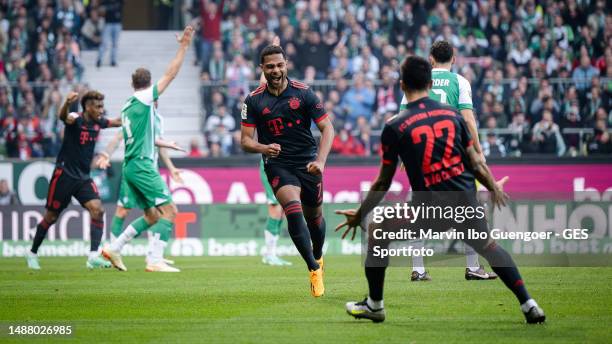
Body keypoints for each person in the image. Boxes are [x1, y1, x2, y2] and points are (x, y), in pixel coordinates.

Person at [336, 56, 545, 324]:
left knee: (378, 230)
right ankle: (529, 303)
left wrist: (360, 214)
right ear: (430, 83)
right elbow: (476, 161)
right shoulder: (454, 116)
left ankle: (375, 305)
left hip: (429, 210)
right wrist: (492, 185)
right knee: (489, 246)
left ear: (402, 85)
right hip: (465, 203)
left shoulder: (395, 126)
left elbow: (382, 183)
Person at [240, 44, 334, 297]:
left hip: (308, 163)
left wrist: (322, 161)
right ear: (262, 69)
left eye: (279, 65)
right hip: (278, 164)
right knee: (292, 211)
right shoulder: (253, 100)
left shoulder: (303, 93)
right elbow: (245, 141)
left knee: (314, 219)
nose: (276, 70)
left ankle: (318, 255)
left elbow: (328, 128)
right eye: (270, 66)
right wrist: (263, 147)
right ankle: (313, 269)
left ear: (286, 65)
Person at [400, 40, 496, 281]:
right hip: (453, 156)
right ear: (454, 59)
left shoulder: (419, 80)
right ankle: (473, 267)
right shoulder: (460, 82)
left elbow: (403, 117)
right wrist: (477, 149)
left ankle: (418, 268)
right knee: (469, 211)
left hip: (422, 156)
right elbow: (467, 117)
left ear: (431, 58)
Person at [101, 26, 194, 273]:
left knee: (152, 216)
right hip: (142, 164)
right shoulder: (144, 99)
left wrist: (163, 143)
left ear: (132, 84)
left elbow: (137, 135)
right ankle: (154, 259)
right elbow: (171, 74)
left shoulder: (127, 105)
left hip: (131, 166)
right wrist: (183, 46)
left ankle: (114, 248)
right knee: (170, 210)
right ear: (147, 86)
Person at [26, 91, 122, 270]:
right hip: (64, 175)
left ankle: (93, 256)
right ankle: (32, 252)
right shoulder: (75, 118)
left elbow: (117, 122)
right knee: (51, 217)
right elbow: (63, 117)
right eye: (98, 107)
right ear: (87, 107)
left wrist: (138, 113)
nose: (101, 110)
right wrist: (66, 103)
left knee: (98, 210)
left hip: (83, 178)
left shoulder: (98, 122)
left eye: (102, 106)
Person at [96, 102, 185, 267]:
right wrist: (106, 154)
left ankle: (150, 254)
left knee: (157, 213)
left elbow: (158, 144)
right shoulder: (137, 114)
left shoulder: (159, 119)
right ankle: (113, 253)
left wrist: (171, 168)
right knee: (124, 211)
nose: (155, 101)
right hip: (137, 169)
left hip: (151, 171)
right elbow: (117, 137)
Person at [259, 157, 292, 266]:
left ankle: (271, 254)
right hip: (271, 165)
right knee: (276, 209)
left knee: (282, 210)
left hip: (285, 165)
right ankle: (269, 255)